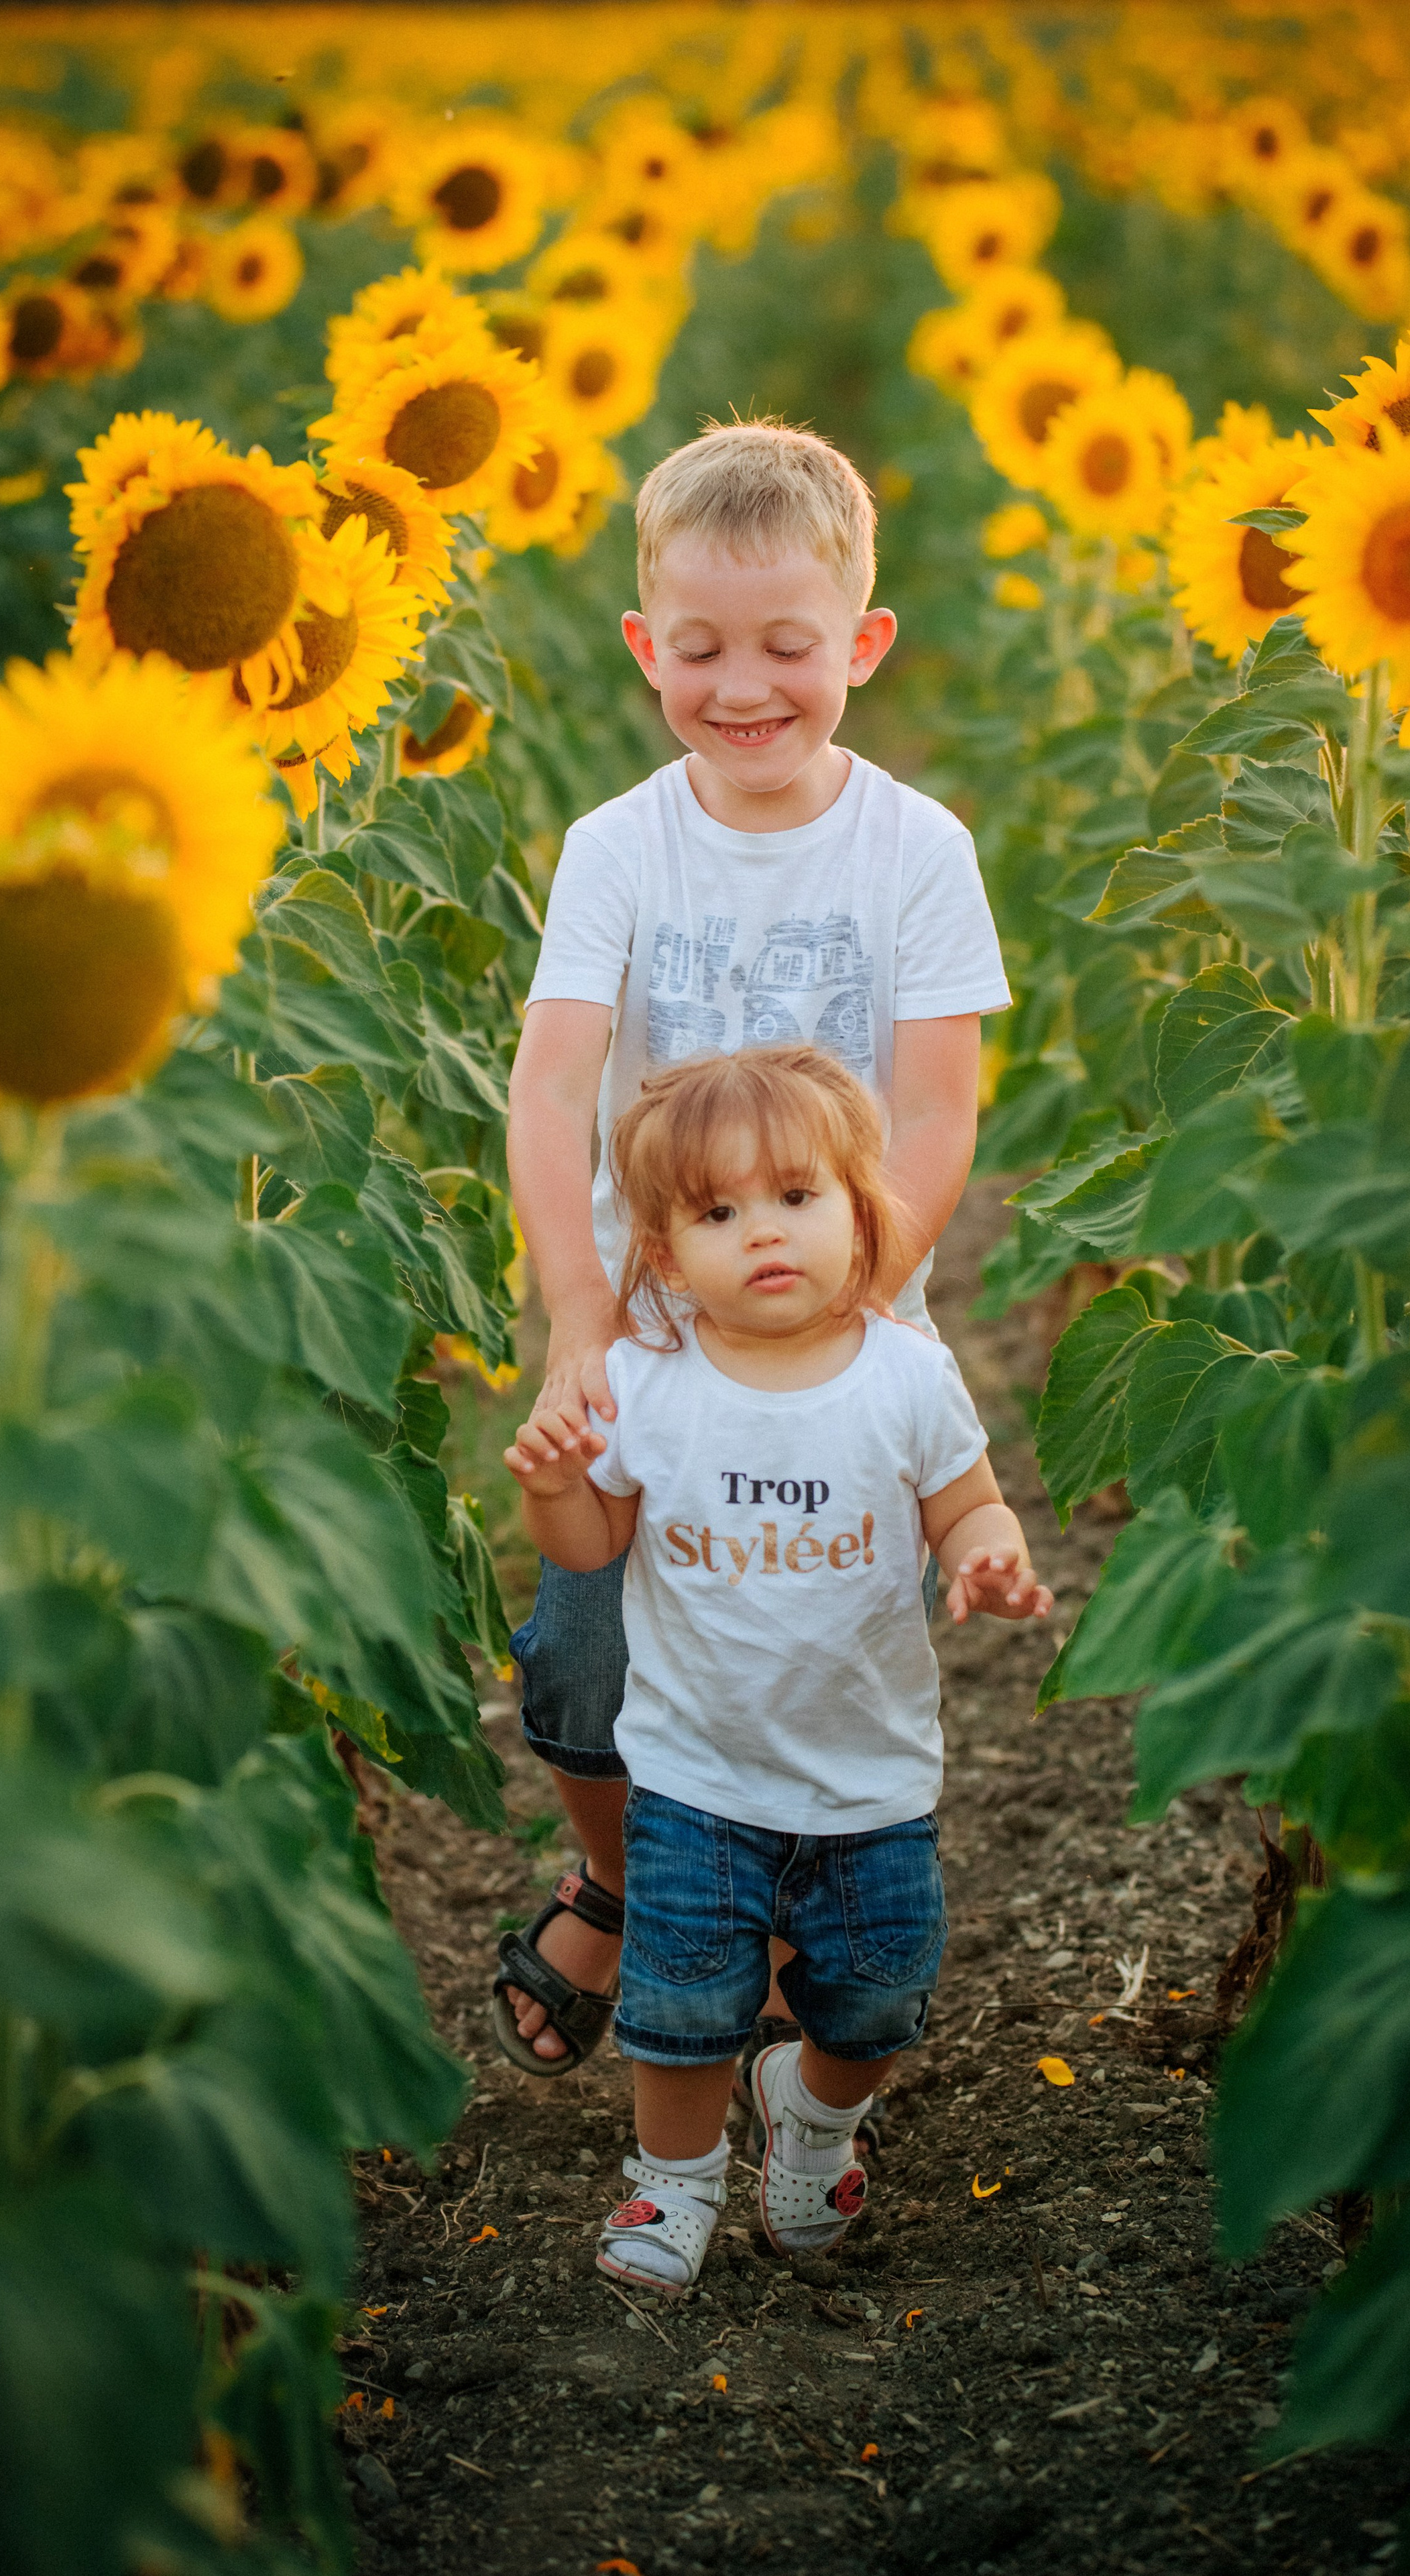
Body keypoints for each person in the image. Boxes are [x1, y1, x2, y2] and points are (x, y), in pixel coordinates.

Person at [494, 415, 1012, 2084]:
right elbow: (554, 1077)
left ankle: (785, 1921)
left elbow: (933, 1112)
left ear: (858, 643)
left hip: (842, 1334)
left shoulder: (914, 851)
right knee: (583, 1639)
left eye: (786, 647)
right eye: (700, 647)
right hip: (651, 1331)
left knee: (799, 1639)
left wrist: (862, 1289)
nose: (744, 686)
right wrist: (580, 1315)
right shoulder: (619, 847)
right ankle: (632, 1877)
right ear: (647, 646)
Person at [503, 1047, 1053, 2291]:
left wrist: (990, 1557)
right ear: (660, 1250)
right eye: (717, 1212)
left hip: (869, 1779)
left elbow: (966, 1502)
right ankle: (673, 2185)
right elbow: (595, 1543)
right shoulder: (649, 1386)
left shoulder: (908, 1376)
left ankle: (811, 2114)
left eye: (796, 1197)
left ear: (864, 1208)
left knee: (876, 1998)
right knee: (681, 2003)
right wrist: (551, 1488)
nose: (765, 1234)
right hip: (700, 1772)